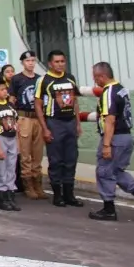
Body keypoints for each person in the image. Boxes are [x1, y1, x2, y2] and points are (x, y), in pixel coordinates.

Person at [89, 62, 134, 222]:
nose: (95, 81)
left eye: (95, 77)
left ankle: (109, 209)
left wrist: (106, 145)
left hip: (115, 138)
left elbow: (110, 120)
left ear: (102, 76)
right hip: (126, 137)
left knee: (104, 172)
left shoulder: (108, 92)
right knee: (117, 171)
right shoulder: (121, 89)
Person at [34, 50, 84, 208]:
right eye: (57, 61)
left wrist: (77, 123)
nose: (60, 64)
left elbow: (75, 101)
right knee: (56, 160)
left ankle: (70, 194)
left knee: (71, 159)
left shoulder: (70, 78)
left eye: (62, 61)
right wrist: (45, 128)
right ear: (50, 63)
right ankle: (57, 194)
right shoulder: (44, 80)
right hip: (54, 122)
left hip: (70, 122)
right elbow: (38, 105)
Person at [10, 51, 45, 199]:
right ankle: (27, 184)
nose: (30, 63)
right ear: (22, 63)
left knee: (37, 153)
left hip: (37, 117)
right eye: (27, 61)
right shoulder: (17, 79)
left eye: (33, 60)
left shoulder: (40, 79)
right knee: (25, 153)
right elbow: (12, 99)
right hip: (23, 117)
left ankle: (38, 183)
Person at [0, 78, 21, 212]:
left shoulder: (10, 105)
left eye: (5, 89)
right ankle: (1, 195)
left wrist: (17, 142)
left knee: (11, 167)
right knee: (0, 167)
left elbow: (16, 123)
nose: (4, 91)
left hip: (11, 137)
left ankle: (10, 193)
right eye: (1, 89)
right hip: (0, 138)